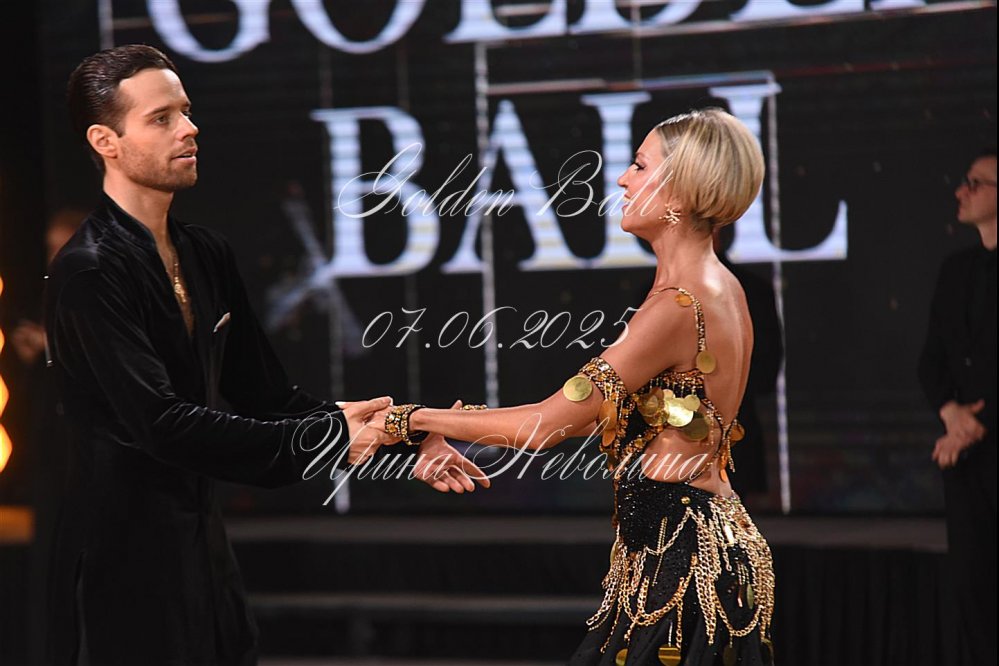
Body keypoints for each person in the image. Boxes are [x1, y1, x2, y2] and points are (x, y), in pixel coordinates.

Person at [45, 44, 485, 666]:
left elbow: (267, 396)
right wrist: (332, 439)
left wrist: (406, 431)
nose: (189, 128)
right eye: (161, 118)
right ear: (105, 141)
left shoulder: (205, 253)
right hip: (120, 569)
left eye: (185, 111)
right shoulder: (89, 272)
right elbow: (162, 424)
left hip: (205, 557)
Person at [373, 108, 775, 664]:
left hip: (684, 564)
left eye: (640, 166)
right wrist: (459, 423)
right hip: (696, 548)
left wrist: (409, 420)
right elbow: (601, 416)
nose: (623, 179)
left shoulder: (678, 306)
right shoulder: (719, 288)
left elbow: (548, 425)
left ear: (682, 190)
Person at [918, 149, 996, 665]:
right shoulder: (956, 269)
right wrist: (951, 413)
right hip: (966, 458)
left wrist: (975, 424)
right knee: (973, 586)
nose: (961, 191)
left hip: (980, 440)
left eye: (976, 183)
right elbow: (932, 360)